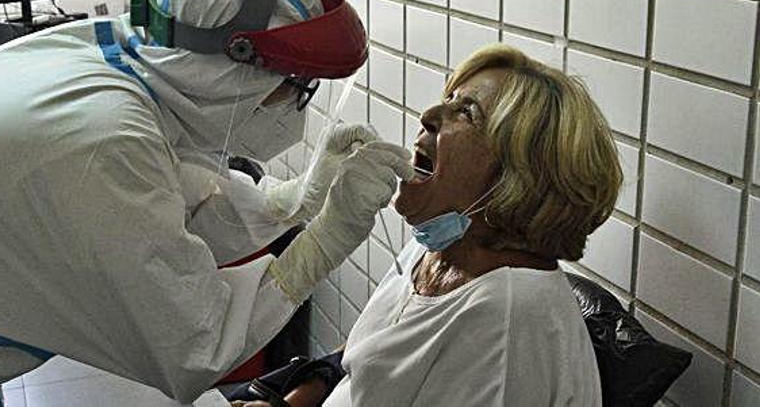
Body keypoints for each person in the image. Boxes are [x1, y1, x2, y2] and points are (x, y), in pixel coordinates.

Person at [0, 0, 414, 406]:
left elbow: (168, 204)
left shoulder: (121, 58)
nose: (292, 105)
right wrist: (327, 238)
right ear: (233, 69)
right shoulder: (104, 142)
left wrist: (297, 201)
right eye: (293, 84)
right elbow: (194, 344)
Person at [234, 43, 623, 406]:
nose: (430, 116)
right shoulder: (436, 246)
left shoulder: (505, 322)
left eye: (466, 113)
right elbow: (364, 356)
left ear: (518, 178)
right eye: (448, 100)